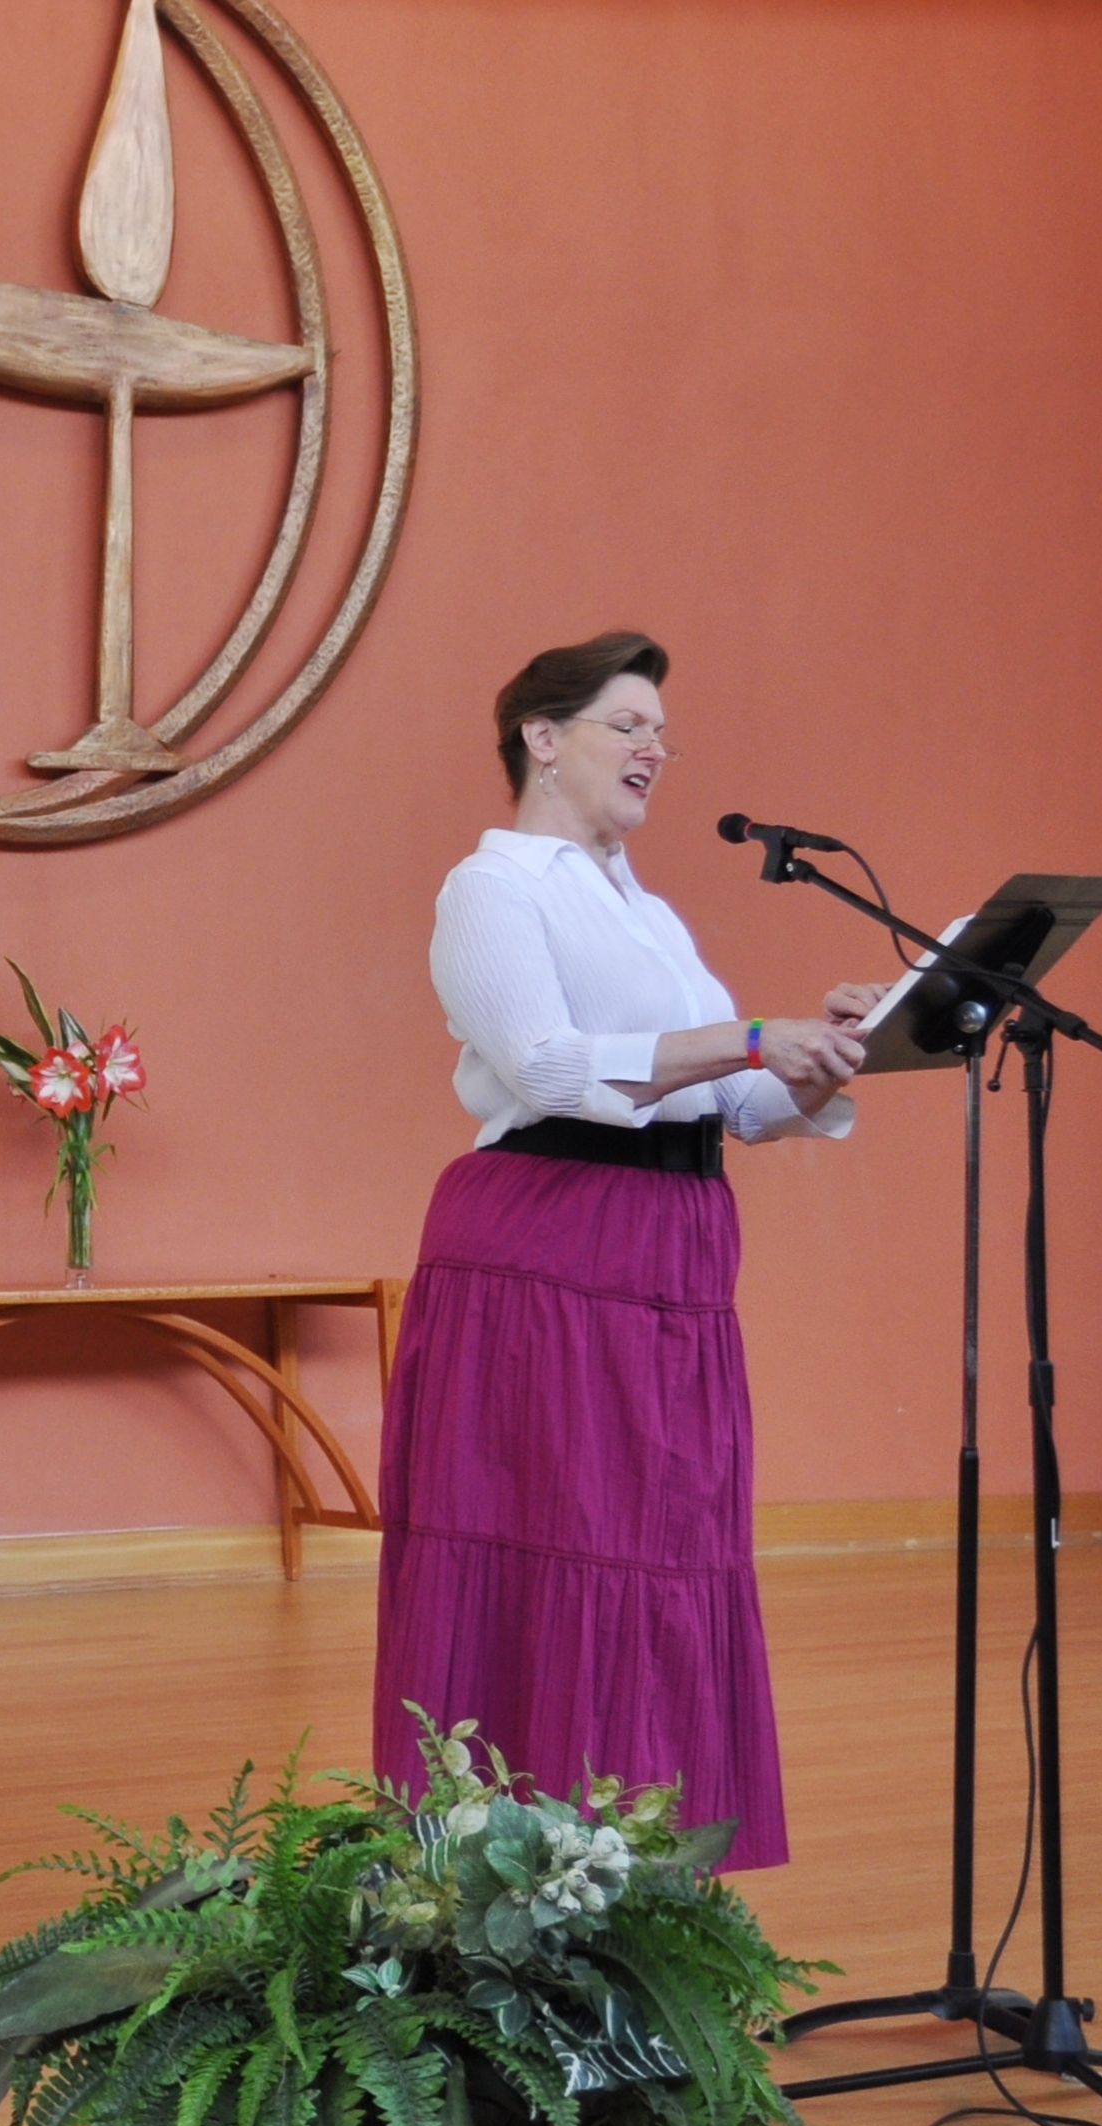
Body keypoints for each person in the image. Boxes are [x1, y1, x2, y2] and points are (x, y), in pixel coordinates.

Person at [371, 635, 881, 1869]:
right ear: (543, 739)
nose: (654, 748)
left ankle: (636, 1869)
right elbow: (550, 1069)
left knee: (664, 1550)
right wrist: (750, 1034)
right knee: (552, 1544)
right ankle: (504, 1877)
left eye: (662, 732)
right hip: (550, 1241)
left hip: (672, 1253)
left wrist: (819, 1056)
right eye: (627, 724)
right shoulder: (494, 888)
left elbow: (738, 1103)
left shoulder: (646, 912)